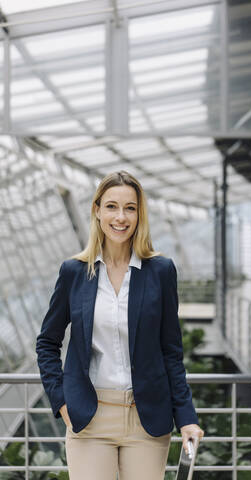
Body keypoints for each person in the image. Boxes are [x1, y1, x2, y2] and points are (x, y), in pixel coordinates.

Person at [36, 170, 204, 480]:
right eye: (112, 206)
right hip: (90, 416)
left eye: (130, 208)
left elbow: (171, 351)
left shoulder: (161, 271)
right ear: (97, 211)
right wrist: (61, 402)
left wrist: (187, 418)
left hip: (147, 420)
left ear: (140, 214)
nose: (120, 217)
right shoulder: (74, 272)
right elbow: (47, 342)